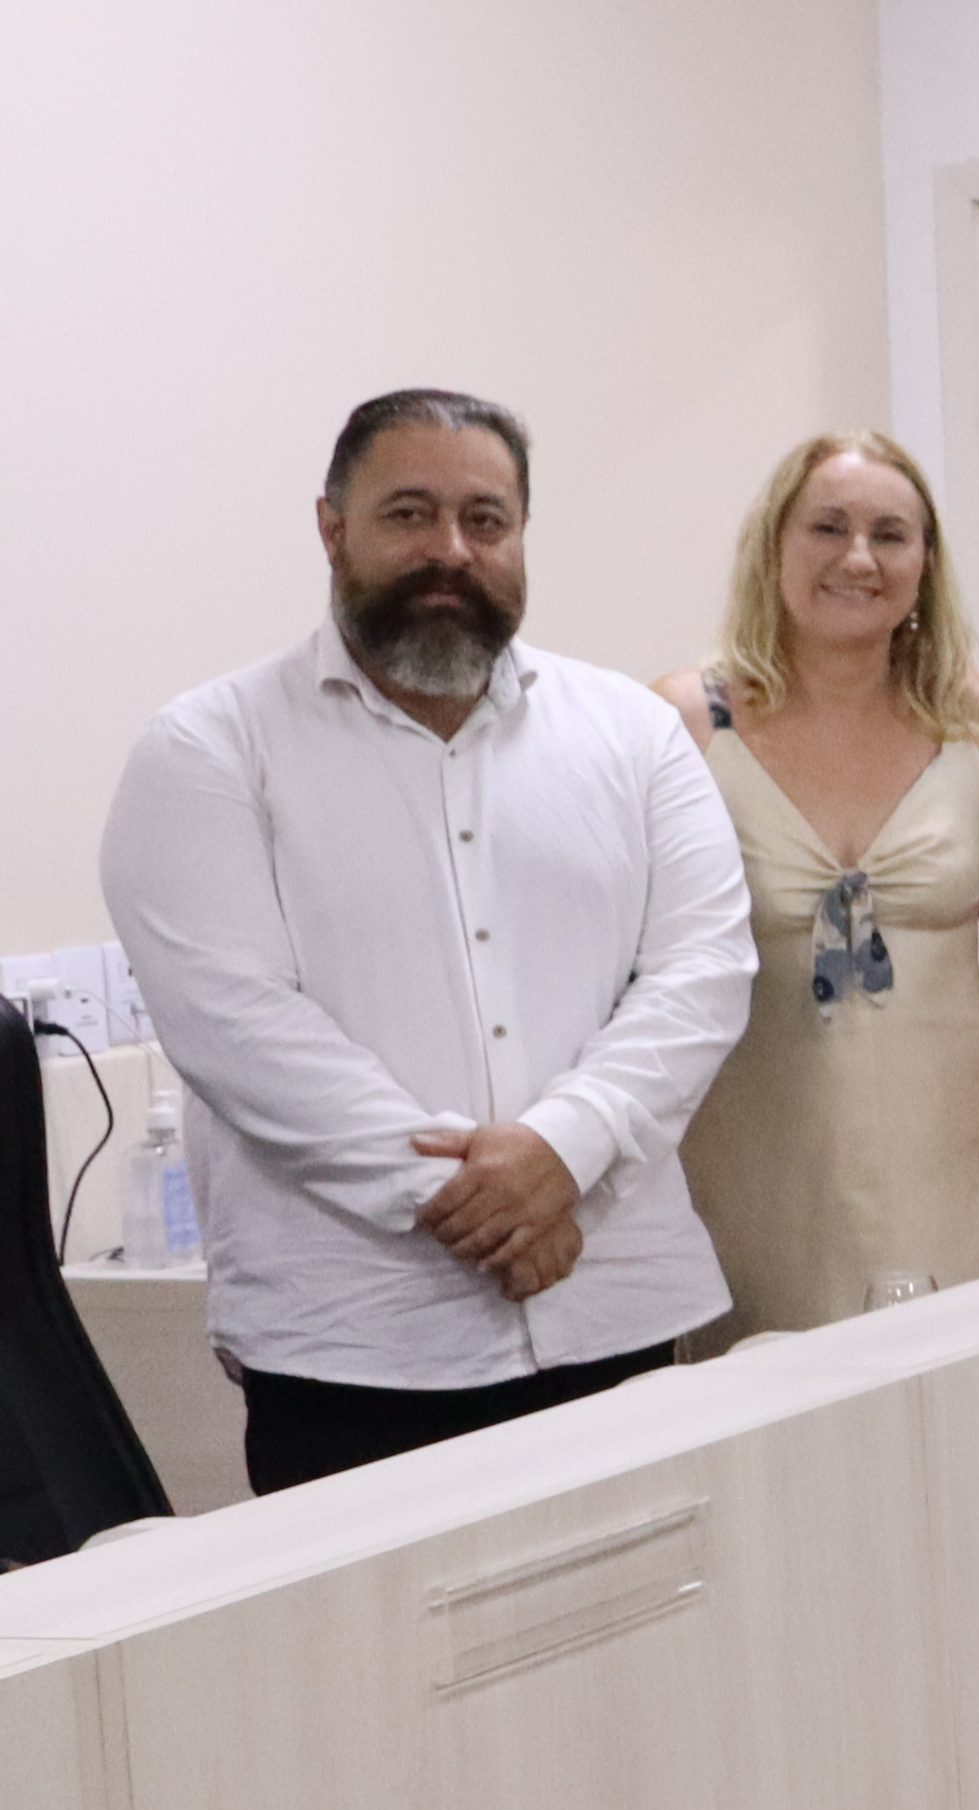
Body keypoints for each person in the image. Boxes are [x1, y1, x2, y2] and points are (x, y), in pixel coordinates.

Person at [101, 390, 751, 1491]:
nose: (451, 550)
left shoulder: (633, 736)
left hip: (616, 1310)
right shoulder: (209, 750)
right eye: (409, 513)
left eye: (485, 520)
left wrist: (563, 1148)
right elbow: (239, 1027)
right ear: (332, 528)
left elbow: (703, 972)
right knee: (375, 1665)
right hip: (356, 1344)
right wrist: (489, 1206)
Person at [661, 432, 979, 1334]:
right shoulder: (682, 720)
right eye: (828, 527)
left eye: (890, 534)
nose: (858, 557)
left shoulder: (972, 718)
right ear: (775, 545)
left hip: (957, 1158)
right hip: (753, 1159)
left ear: (925, 563)